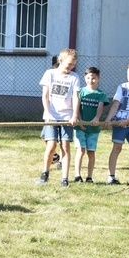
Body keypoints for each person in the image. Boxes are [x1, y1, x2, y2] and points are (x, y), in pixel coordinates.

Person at [36, 48, 80, 187]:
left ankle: (64, 179)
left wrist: (74, 115)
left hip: (67, 117)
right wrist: (48, 113)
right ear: (61, 61)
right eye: (69, 64)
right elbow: (45, 95)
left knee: (65, 146)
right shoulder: (50, 74)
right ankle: (45, 172)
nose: (71, 67)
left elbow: (75, 98)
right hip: (52, 116)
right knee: (51, 145)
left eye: (73, 65)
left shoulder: (74, 77)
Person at [73, 67, 109, 183]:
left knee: (91, 152)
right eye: (88, 78)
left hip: (93, 129)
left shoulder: (100, 94)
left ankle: (89, 177)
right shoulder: (81, 92)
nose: (91, 80)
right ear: (85, 78)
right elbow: (76, 106)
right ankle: (77, 175)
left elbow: (100, 107)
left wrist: (97, 118)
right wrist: (79, 119)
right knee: (81, 150)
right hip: (80, 127)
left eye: (93, 78)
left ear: (98, 79)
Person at [103, 62, 129, 184]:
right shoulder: (122, 87)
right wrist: (109, 119)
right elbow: (116, 104)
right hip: (119, 123)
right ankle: (111, 177)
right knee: (117, 148)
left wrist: (127, 121)